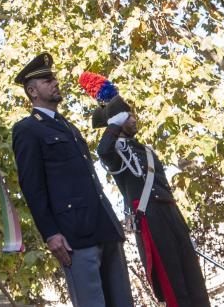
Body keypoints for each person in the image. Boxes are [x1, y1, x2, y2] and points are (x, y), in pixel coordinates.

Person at [11, 53, 134, 306]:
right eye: (47, 80)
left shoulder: (68, 126)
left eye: (54, 77)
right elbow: (32, 187)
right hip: (74, 235)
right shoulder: (27, 129)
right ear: (33, 91)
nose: (55, 82)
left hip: (104, 225)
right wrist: (50, 233)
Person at [83, 74, 211, 307]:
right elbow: (103, 151)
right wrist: (114, 124)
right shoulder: (116, 150)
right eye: (127, 116)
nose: (133, 119)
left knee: (193, 278)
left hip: (170, 212)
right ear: (118, 121)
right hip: (150, 216)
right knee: (173, 282)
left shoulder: (147, 151)